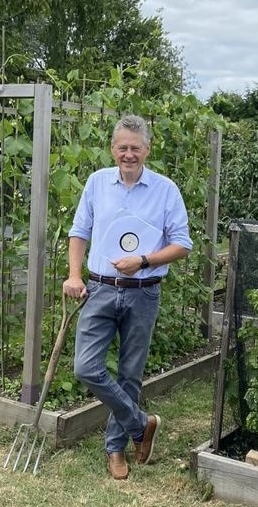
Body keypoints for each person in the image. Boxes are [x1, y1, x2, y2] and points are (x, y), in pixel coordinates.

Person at [62, 114, 193, 480]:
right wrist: (73, 275)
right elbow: (78, 231)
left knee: (131, 374)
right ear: (112, 149)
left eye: (136, 148)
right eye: (123, 148)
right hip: (100, 289)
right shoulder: (97, 183)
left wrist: (144, 260)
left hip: (143, 293)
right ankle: (140, 424)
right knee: (86, 367)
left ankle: (116, 449)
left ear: (147, 150)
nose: (129, 154)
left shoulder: (166, 190)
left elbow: (182, 244)